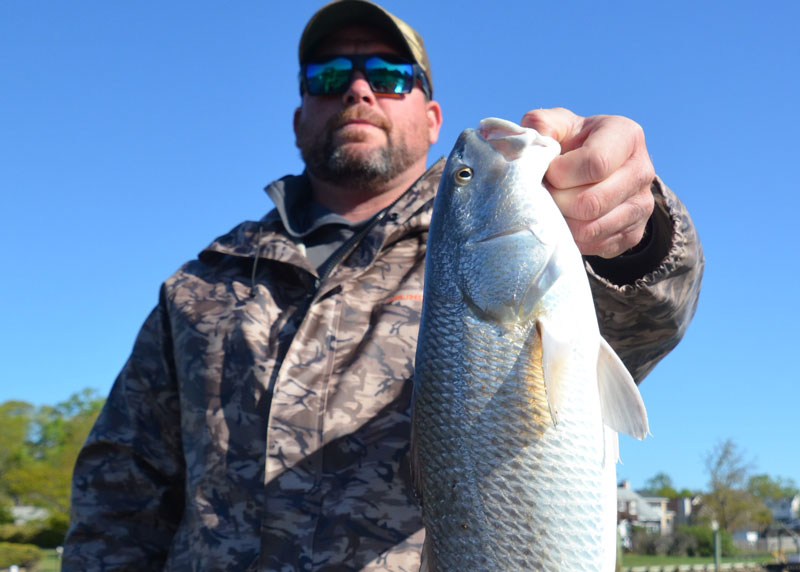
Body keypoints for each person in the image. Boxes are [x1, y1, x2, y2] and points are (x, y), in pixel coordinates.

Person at [62, 1, 704, 570]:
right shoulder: (197, 286)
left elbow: (642, 315)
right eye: (329, 77)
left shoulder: (522, 225)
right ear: (298, 117)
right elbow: (119, 491)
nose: (359, 91)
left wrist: (630, 231)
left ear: (431, 118)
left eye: (391, 75)